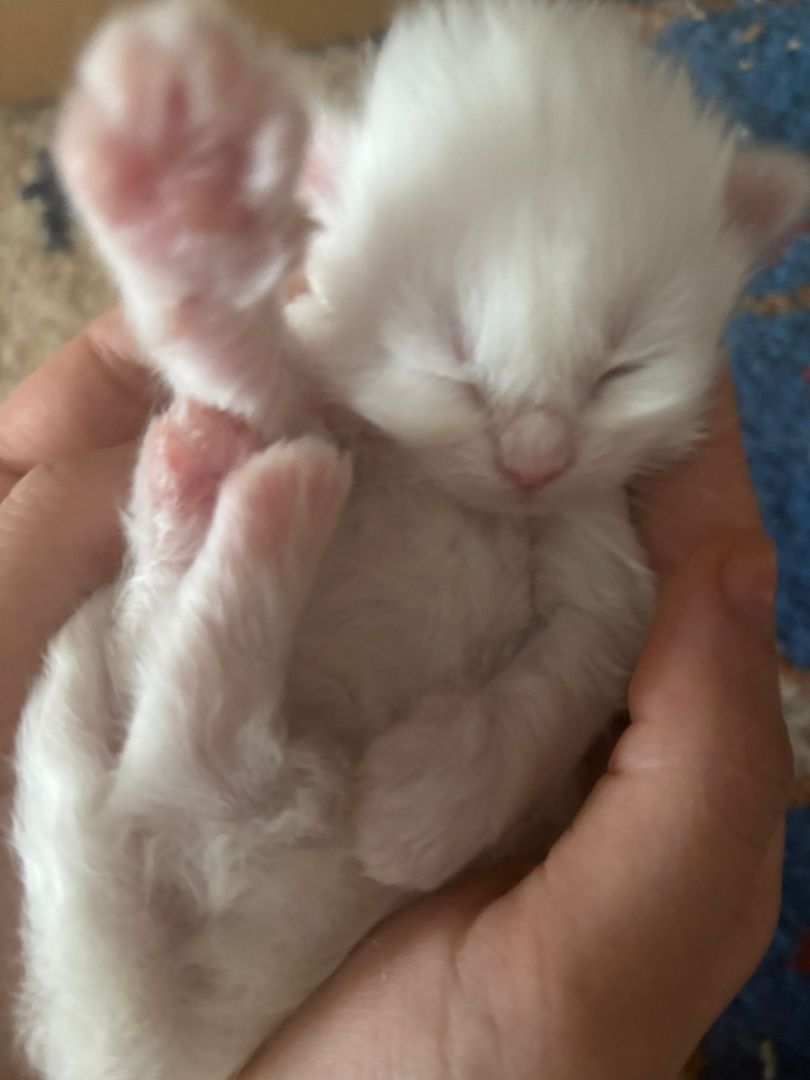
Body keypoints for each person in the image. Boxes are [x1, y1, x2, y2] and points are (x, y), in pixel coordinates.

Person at [0, 310, 791, 1079]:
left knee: (181, 785)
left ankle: (200, 642)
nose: (530, 444)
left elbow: (598, 633)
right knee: (131, 666)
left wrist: (494, 749)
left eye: (614, 374)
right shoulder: (367, 361)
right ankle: (197, 623)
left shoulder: (586, 498)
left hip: (312, 919)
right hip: (284, 905)